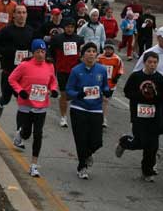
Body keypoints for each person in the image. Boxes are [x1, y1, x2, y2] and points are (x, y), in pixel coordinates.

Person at [8, 39, 59, 178]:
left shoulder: (49, 65)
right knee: (26, 133)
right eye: (38, 51)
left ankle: (34, 165)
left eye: (43, 52)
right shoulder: (24, 65)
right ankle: (20, 134)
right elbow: (12, 79)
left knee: (38, 134)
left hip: (41, 106)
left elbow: (53, 81)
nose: (41, 54)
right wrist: (20, 91)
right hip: (25, 105)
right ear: (33, 52)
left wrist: (53, 90)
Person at [115, 51, 163, 181]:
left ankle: (147, 172)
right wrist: (141, 95)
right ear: (144, 62)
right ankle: (125, 142)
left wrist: (156, 96)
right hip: (139, 115)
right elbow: (127, 92)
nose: (152, 65)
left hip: (155, 116)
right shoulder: (136, 76)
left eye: (155, 62)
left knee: (152, 146)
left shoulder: (160, 79)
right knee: (140, 142)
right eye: (150, 62)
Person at [66, 42, 111, 179]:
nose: (91, 54)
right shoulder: (76, 70)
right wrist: (77, 94)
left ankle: (87, 154)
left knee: (97, 141)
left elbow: (105, 86)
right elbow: (69, 90)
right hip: (79, 108)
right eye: (88, 51)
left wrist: (107, 92)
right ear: (83, 54)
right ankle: (82, 167)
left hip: (96, 109)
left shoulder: (102, 70)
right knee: (81, 139)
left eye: (94, 51)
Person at [133, 26, 163, 135]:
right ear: (158, 38)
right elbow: (136, 73)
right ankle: (149, 142)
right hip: (152, 93)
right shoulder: (149, 53)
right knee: (153, 124)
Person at [0, 5, 34, 120]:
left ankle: (21, 127)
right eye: (19, 13)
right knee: (6, 98)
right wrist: (8, 52)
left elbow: (34, 47)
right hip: (9, 71)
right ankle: (1, 105)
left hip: (24, 73)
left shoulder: (30, 31)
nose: (22, 15)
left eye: (24, 13)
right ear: (14, 15)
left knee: (22, 99)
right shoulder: (7, 30)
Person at [49, 18, 84, 128]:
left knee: (75, 95)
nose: (70, 29)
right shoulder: (57, 39)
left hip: (75, 72)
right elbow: (51, 53)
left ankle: (76, 114)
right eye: (68, 27)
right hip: (62, 71)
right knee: (64, 94)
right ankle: (63, 117)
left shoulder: (79, 39)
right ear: (64, 27)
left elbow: (82, 54)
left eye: (72, 27)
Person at [96, 39, 124, 128]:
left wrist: (117, 77)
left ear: (113, 50)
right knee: (100, 100)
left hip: (111, 84)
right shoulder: (100, 58)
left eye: (110, 49)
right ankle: (100, 118)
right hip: (100, 83)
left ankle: (103, 118)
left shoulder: (117, 59)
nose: (108, 51)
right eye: (106, 49)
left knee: (105, 101)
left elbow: (120, 69)